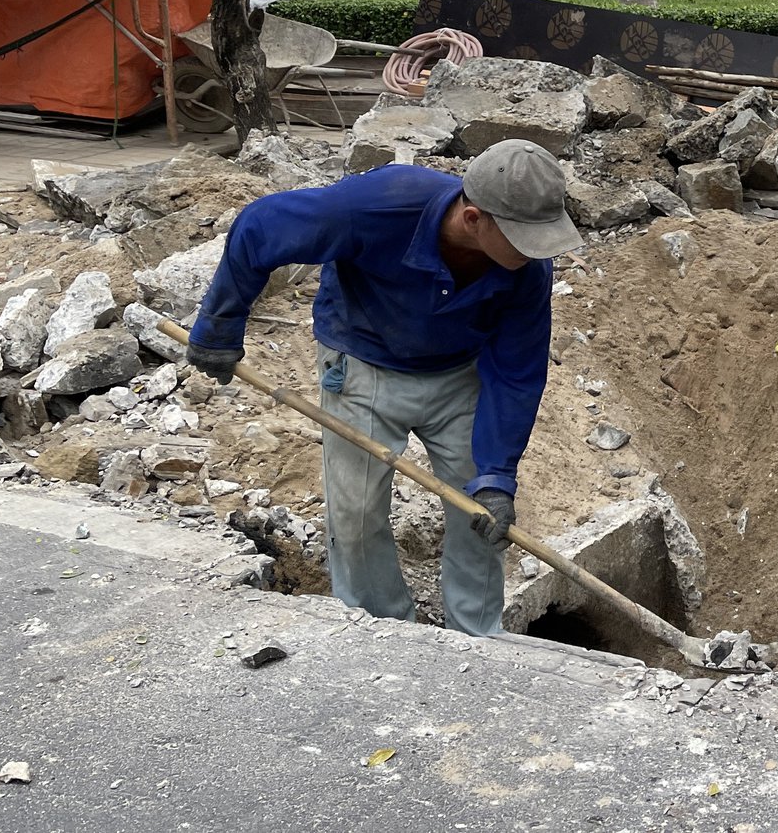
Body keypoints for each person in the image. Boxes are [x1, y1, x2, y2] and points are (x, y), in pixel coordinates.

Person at [184, 140, 583, 638]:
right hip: (362, 365)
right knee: (355, 515)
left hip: (460, 376)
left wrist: (498, 474)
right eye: (526, 238)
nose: (536, 253)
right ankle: (383, 635)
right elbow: (260, 227)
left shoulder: (526, 269)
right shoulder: (375, 205)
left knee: (482, 512)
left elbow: (517, 371)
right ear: (475, 218)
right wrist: (219, 327)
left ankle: (478, 639)